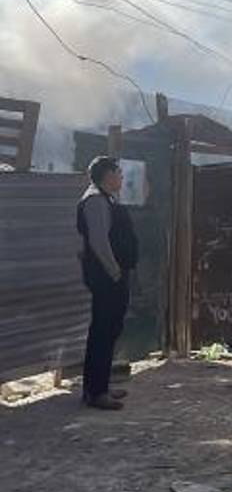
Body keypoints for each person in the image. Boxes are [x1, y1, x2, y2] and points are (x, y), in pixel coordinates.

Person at [76, 156, 139, 410]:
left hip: (112, 276)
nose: (122, 177)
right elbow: (99, 243)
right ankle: (95, 392)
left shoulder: (106, 198)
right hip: (106, 278)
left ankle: (100, 386)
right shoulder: (94, 201)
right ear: (107, 175)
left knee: (109, 330)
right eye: (119, 173)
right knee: (102, 331)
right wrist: (115, 273)